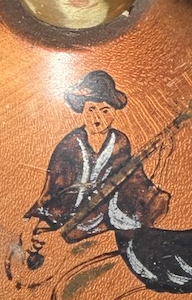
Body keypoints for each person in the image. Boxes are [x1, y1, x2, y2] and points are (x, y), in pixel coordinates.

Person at [21, 71, 169, 261]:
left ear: (114, 113)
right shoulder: (71, 145)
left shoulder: (119, 142)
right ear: (83, 109)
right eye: (91, 109)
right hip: (64, 218)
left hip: (101, 220)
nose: (97, 117)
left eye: (105, 110)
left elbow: (132, 179)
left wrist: (150, 196)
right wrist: (30, 222)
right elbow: (50, 193)